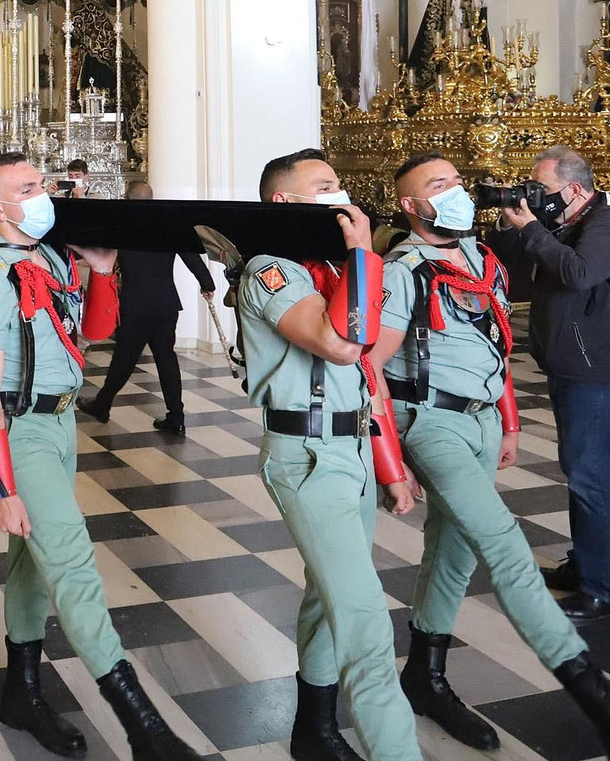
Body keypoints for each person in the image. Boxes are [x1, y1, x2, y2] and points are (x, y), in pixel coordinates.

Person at [371, 153, 610, 761]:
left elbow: (495, 339)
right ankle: (602, 705)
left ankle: (425, 674)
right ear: (411, 207)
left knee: (454, 551)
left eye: (455, 181)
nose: (455, 193)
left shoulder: (479, 257)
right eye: (437, 187)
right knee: (503, 545)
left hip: (479, 421)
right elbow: (371, 370)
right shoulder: (400, 269)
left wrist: (509, 424)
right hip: (431, 422)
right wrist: (389, 463)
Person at [0, 152, 202, 760]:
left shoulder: (47, 258)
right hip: (20, 432)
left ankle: (22, 690)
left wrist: (99, 271)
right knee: (72, 565)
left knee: (28, 567)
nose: (42, 194)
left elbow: (93, 332)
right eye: (26, 188)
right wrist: (1, 488)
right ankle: (143, 725)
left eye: (42, 184)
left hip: (62, 423)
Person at [239, 148, 419, 761]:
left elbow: (370, 368)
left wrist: (388, 466)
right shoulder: (269, 269)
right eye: (325, 186)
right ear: (284, 202)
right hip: (306, 456)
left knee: (327, 591)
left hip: (355, 446)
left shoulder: (333, 269)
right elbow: (340, 345)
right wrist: (366, 256)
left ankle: (312, 729)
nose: (340, 194)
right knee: (365, 616)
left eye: (339, 182)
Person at [491, 145, 610, 624]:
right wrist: (513, 224)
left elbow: (579, 275)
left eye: (543, 189)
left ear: (575, 190)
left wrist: (534, 229)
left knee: (593, 480)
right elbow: (508, 258)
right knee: (581, 472)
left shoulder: (606, 226)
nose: (537, 197)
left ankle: (605, 591)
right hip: (576, 370)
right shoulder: (566, 224)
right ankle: (585, 568)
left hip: (603, 374)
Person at [80, 180, 214, 435]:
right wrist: (207, 284)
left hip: (135, 305)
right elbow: (191, 256)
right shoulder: (168, 225)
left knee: (124, 359)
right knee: (167, 359)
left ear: (127, 199)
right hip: (166, 304)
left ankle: (102, 404)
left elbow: (96, 247)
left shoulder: (122, 226)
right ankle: (176, 416)